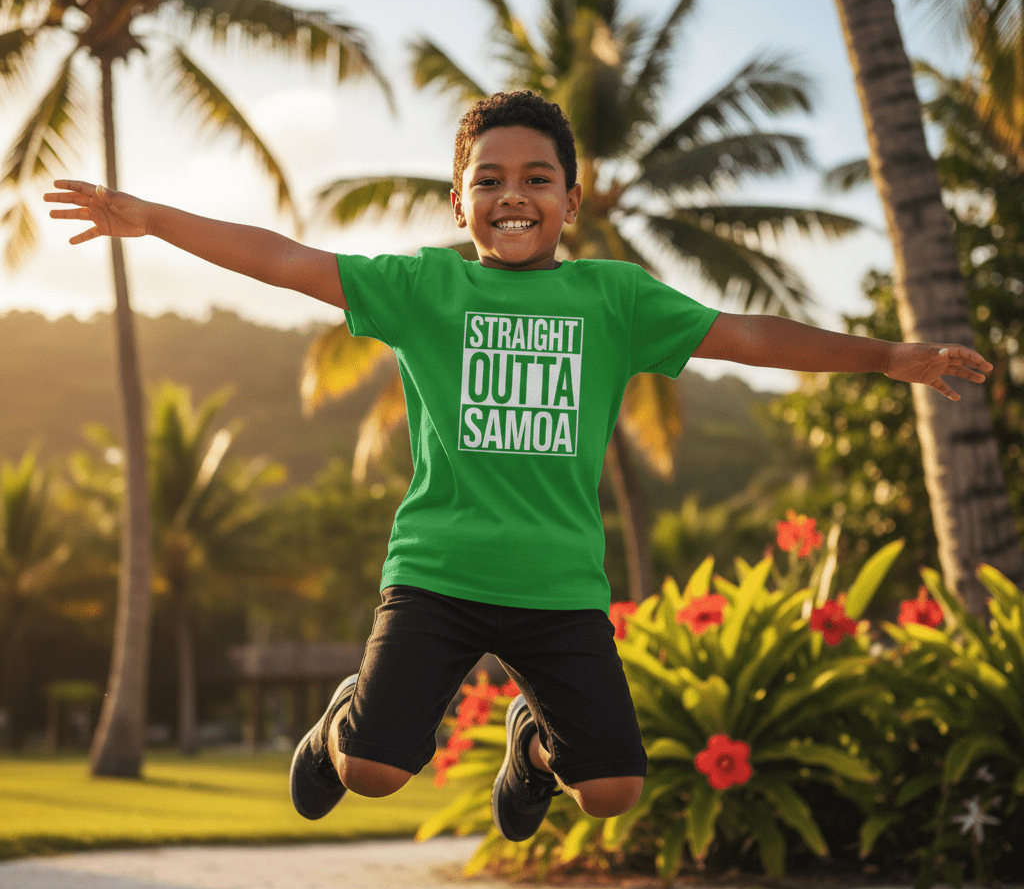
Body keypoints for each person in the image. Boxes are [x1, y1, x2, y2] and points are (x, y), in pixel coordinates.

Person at [46, 90, 993, 842]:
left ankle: (531, 747)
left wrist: (887, 357)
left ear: (571, 202)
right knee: (373, 770)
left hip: (558, 582)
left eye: (538, 179)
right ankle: (344, 720)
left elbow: (747, 333)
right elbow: (288, 260)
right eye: (488, 178)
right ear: (459, 201)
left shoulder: (615, 298)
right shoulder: (423, 286)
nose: (513, 196)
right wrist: (152, 217)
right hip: (438, 574)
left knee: (612, 791)